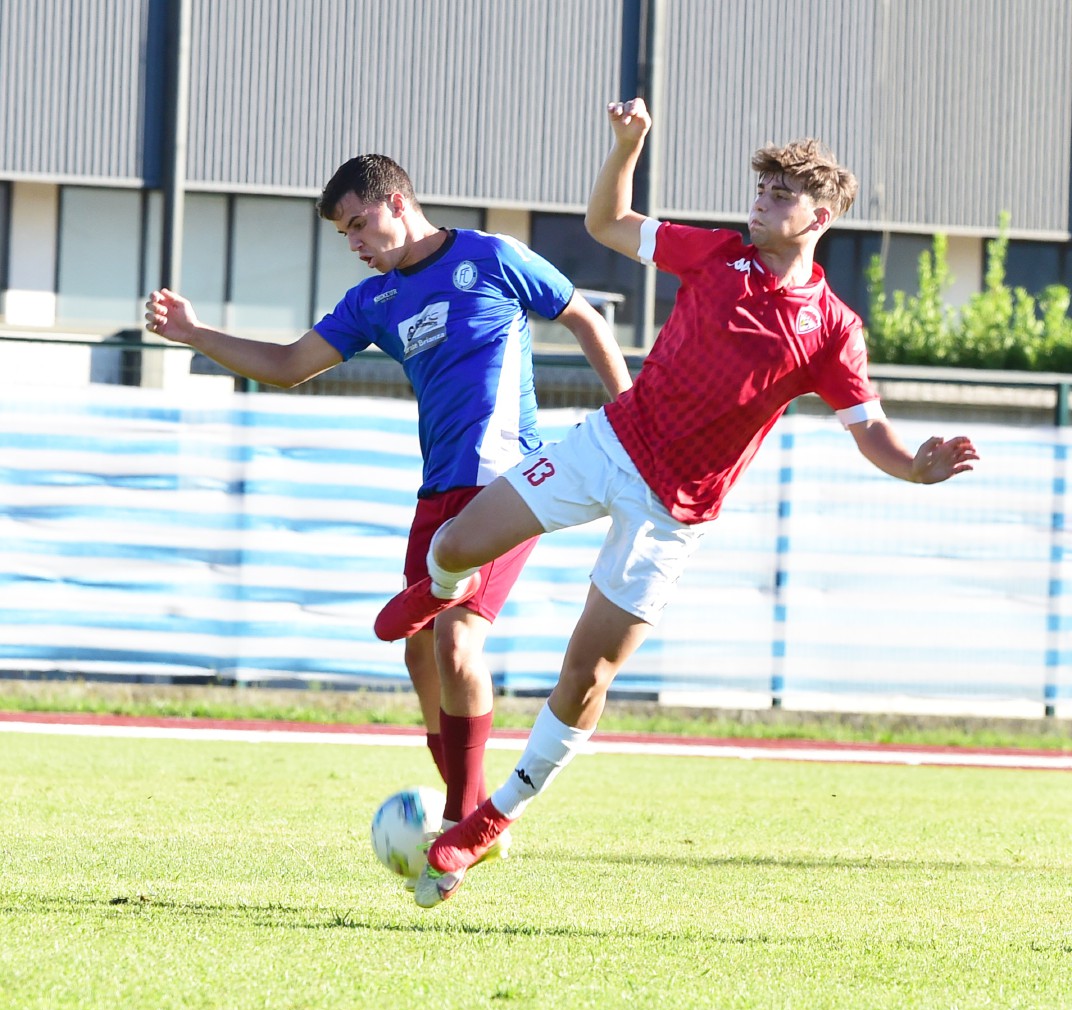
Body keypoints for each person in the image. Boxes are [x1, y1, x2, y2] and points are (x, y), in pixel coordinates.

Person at [373, 99, 980, 908]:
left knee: (585, 677)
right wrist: (627, 146)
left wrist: (916, 467)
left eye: (778, 195)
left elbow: (871, 433)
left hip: (674, 514)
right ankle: (438, 591)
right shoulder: (717, 254)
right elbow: (608, 222)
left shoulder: (833, 330)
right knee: (454, 544)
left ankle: (487, 823)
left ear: (819, 217)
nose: (759, 201)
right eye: (759, 187)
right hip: (610, 445)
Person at [144, 153, 633, 887]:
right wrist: (196, 334)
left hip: (506, 485)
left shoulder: (492, 257)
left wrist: (629, 421)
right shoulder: (375, 302)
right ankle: (466, 818)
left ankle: (463, 829)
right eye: (345, 234)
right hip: (436, 495)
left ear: (397, 201)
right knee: (418, 652)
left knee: (458, 645)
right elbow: (284, 364)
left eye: (360, 224)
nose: (356, 243)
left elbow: (583, 316)